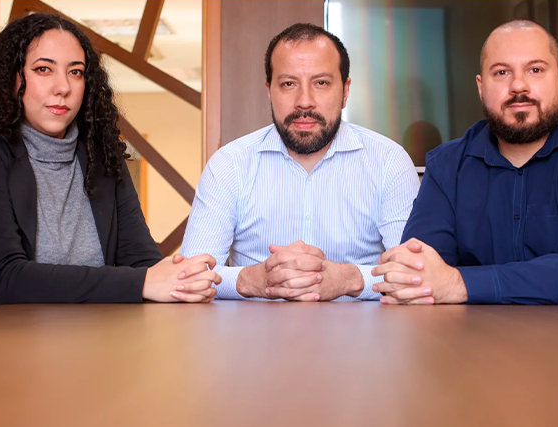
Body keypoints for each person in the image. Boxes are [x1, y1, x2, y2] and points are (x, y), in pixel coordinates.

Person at [0, 13, 221, 306]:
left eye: (76, 72)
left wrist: (182, 282)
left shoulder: (101, 155)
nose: (63, 87)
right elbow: (7, 279)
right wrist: (142, 282)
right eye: (43, 69)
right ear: (10, 77)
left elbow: (142, 262)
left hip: (96, 331)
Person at [373, 20, 558, 306]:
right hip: (473, 333)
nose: (518, 85)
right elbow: (417, 273)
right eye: (502, 72)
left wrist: (458, 283)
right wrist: (420, 281)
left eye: (535, 70)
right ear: (481, 87)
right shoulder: (447, 166)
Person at [180, 23, 420, 301]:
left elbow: (412, 271)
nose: (304, 102)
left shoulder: (389, 162)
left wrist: (349, 279)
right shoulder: (229, 164)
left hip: (363, 329)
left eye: (321, 83)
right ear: (269, 90)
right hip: (251, 328)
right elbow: (193, 275)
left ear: (345, 91)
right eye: (288, 84)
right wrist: (253, 280)